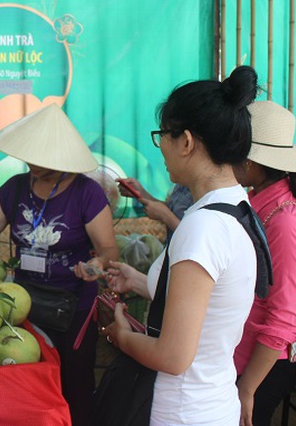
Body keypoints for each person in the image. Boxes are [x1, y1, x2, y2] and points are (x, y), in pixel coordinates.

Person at [98, 65, 261, 425]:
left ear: (186, 142)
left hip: (182, 410)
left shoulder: (201, 227)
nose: (162, 148)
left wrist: (121, 337)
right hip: (213, 402)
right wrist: (141, 281)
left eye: (163, 136)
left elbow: (173, 356)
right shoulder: (236, 208)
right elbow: (208, 304)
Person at [0, 104, 119, 426]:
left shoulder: (87, 193)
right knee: (29, 379)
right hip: (23, 302)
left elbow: (109, 248)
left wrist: (95, 264)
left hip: (73, 306)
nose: (34, 163)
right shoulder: (15, 188)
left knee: (74, 383)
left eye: (44, 157)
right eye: (31, 154)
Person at [233, 100, 296, 426]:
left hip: (262, 366)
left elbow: (284, 318)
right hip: (243, 355)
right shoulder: (255, 202)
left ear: (254, 161)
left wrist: (247, 388)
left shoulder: (285, 221)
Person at [117, 179, 192, 241]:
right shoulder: (181, 185)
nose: (165, 161)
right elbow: (173, 211)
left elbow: (196, 239)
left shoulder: (201, 191)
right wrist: (141, 193)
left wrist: (166, 216)